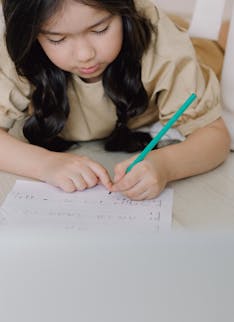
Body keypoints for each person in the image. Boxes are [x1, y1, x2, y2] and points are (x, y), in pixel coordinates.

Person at [0, 0, 230, 201]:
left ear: (124, 11)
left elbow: (215, 135)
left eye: (100, 29)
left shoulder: (162, 43)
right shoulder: (19, 49)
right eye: (57, 39)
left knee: (213, 47)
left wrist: (165, 165)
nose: (84, 54)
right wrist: (45, 164)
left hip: (199, 53)